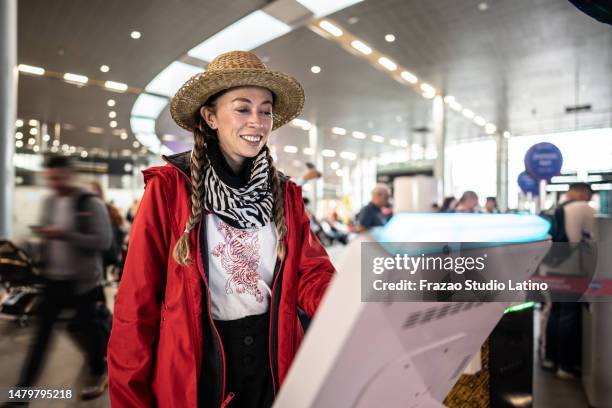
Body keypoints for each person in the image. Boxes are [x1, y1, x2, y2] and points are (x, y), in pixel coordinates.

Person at [107, 51, 335, 407]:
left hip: (272, 357)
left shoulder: (284, 192)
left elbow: (312, 274)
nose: (257, 121)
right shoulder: (170, 189)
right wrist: (130, 399)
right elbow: (137, 306)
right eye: (242, 109)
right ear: (210, 117)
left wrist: (369, 297)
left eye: (265, 110)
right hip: (202, 363)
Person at [18, 155, 112, 400]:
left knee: (88, 332)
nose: (54, 184)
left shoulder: (89, 203)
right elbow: (49, 238)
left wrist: (64, 234)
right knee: (40, 340)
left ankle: (99, 368)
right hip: (53, 282)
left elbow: (103, 241)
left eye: (58, 178)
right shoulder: (50, 202)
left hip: (82, 284)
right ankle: (21, 394)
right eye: (50, 179)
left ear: (70, 174)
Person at [543, 182, 596, 379]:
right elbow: (597, 237)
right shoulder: (584, 208)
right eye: (589, 193)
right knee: (569, 315)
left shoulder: (556, 207)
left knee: (556, 312)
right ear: (582, 191)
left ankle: (550, 359)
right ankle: (565, 365)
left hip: (551, 268)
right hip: (572, 271)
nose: (589, 198)